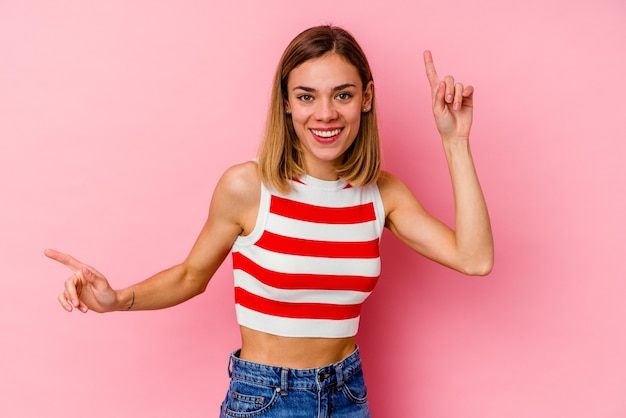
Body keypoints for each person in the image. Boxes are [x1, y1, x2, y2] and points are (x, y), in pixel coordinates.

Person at [46, 25, 493, 417]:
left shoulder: (383, 194)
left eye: (343, 94)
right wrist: (117, 298)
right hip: (266, 398)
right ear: (286, 103)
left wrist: (455, 141)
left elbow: (474, 259)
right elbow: (189, 276)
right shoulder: (248, 187)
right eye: (306, 96)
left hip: (348, 395)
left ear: (366, 98)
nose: (325, 114)